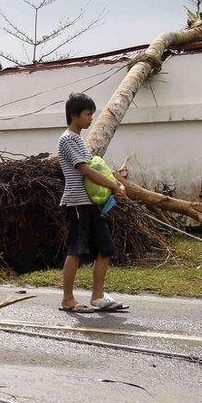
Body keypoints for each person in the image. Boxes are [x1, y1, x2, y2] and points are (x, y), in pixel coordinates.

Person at [57, 93, 129, 313]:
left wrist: (117, 184)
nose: (90, 119)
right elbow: (86, 170)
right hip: (77, 203)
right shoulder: (68, 139)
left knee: (105, 248)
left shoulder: (79, 140)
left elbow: (97, 169)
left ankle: (98, 296)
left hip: (90, 204)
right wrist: (114, 186)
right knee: (76, 250)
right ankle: (67, 299)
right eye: (87, 114)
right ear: (74, 115)